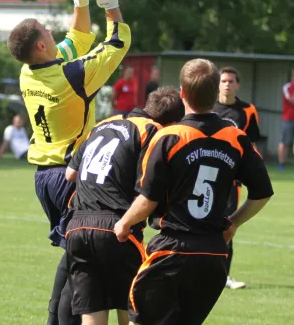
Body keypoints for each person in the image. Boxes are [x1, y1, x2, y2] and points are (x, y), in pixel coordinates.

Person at [7, 0, 130, 325]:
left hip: (44, 175)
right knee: (85, 257)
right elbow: (118, 41)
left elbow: (77, 38)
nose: (52, 33)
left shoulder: (31, 73)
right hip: (70, 176)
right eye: (47, 32)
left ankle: (55, 319)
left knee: (76, 252)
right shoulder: (73, 77)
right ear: (43, 46)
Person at [114, 58, 273, 325]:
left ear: (182, 93)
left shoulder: (169, 137)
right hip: (213, 256)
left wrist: (124, 223)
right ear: (215, 93)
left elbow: (148, 199)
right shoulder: (235, 137)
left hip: (172, 250)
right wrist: (232, 223)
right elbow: (262, 193)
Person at [64, 86, 184, 325]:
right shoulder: (154, 131)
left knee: (93, 311)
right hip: (117, 229)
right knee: (131, 310)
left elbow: (70, 174)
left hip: (77, 226)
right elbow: (150, 189)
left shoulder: (104, 123)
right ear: (171, 123)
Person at [213, 66, 260, 289]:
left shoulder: (247, 110)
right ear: (218, 84)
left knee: (228, 223)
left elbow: (251, 145)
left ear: (237, 84)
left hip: (232, 179)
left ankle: (224, 276)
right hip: (206, 173)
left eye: (231, 81)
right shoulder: (209, 106)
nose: (227, 84)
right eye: (223, 81)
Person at [277, 70, 294, 170]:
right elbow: (292, 100)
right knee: (284, 142)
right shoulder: (287, 87)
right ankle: (281, 164)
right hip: (288, 119)